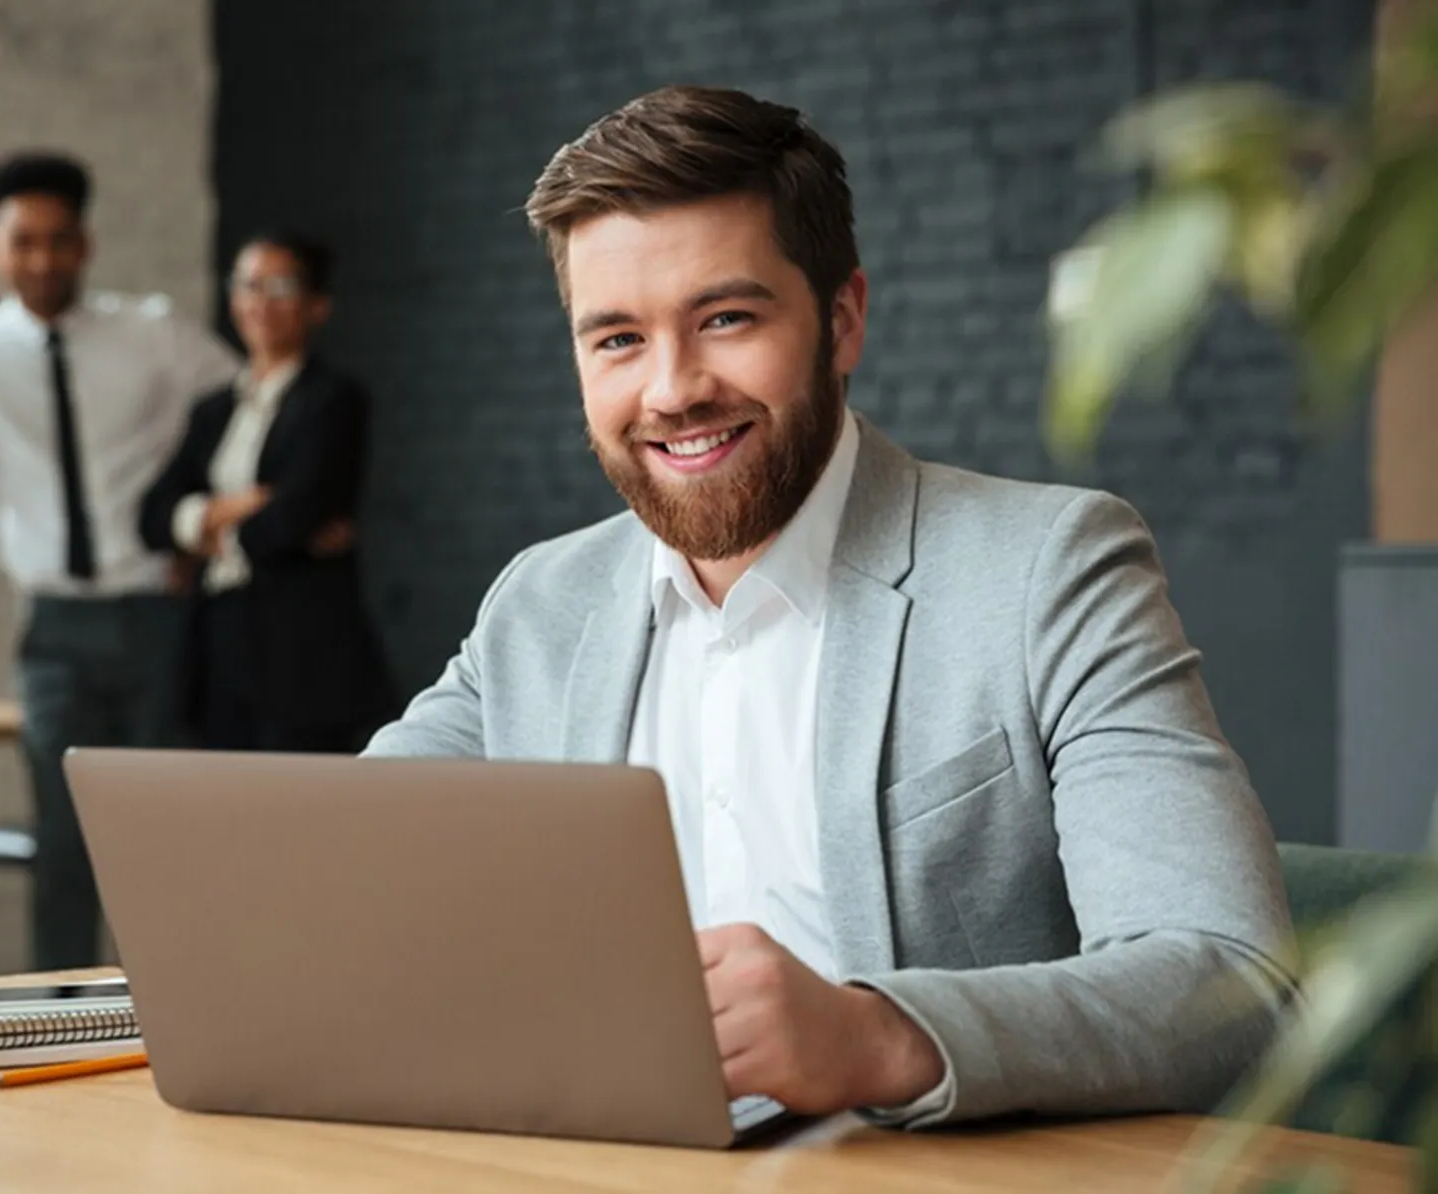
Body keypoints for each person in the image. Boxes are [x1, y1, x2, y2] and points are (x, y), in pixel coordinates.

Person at [364, 86, 1297, 1126]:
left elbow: (1231, 985)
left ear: (840, 320)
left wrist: (873, 1037)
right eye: (617, 339)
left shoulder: (1047, 571)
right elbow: (337, 866)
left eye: (724, 318)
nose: (672, 390)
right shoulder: (540, 603)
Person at [0, 152, 241, 970]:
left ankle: (181, 1017)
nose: (42, 260)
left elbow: (244, 407)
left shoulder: (154, 332)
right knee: (61, 847)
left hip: (154, 616)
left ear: (86, 245)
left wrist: (197, 524)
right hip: (52, 627)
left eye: (59, 241)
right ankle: (56, 1022)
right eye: (23, 241)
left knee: (161, 840)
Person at [139, 233, 394, 752]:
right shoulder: (212, 410)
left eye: (280, 287)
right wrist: (235, 510)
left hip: (303, 652)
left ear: (316, 305)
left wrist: (202, 534)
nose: (260, 302)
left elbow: (291, 519)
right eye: (248, 285)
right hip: (219, 644)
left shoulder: (334, 400)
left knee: (302, 815)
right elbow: (148, 517)